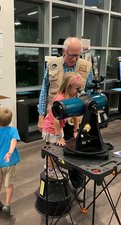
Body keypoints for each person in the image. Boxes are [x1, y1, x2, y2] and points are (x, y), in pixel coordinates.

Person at [37, 36, 93, 202]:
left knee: (78, 152)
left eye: (78, 55)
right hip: (55, 119)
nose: (75, 59)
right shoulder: (52, 64)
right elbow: (44, 90)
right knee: (55, 150)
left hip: (77, 117)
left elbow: (88, 91)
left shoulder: (86, 66)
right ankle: (55, 181)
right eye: (72, 55)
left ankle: (78, 185)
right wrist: (41, 116)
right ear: (63, 51)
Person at [42, 72, 83, 179]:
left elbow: (75, 114)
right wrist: (59, 137)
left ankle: (53, 167)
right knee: (53, 151)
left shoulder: (71, 97)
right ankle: (50, 170)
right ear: (69, 87)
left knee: (58, 150)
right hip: (52, 128)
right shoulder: (59, 99)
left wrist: (76, 130)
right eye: (77, 89)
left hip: (59, 128)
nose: (78, 92)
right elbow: (55, 119)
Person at [0, 107, 21, 214]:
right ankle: (7, 205)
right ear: (10, 120)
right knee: (8, 184)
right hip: (9, 163)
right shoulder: (13, 130)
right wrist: (9, 153)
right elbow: (14, 141)